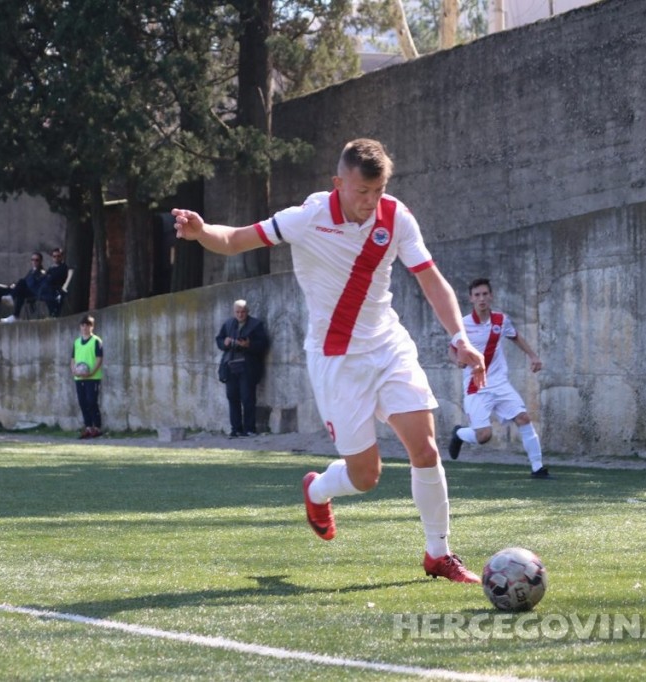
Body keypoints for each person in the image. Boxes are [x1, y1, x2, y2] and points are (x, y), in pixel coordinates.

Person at [173, 138, 488, 583]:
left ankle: (438, 553)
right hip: (336, 359)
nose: (371, 202)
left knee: (426, 447)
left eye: (378, 191)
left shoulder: (396, 217)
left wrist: (460, 337)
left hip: (388, 345)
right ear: (338, 183)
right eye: (362, 192)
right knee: (366, 476)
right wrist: (202, 231)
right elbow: (237, 239)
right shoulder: (306, 218)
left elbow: (430, 279)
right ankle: (318, 488)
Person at [447, 278, 550, 478]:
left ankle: (538, 468)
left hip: (499, 382)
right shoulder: (464, 324)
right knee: (484, 436)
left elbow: (515, 336)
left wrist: (533, 356)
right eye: (477, 295)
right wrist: (456, 361)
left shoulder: (501, 320)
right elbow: (451, 351)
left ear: (491, 296)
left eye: (485, 294)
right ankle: (459, 433)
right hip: (475, 386)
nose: (481, 298)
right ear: (471, 299)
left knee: (524, 418)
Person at [215, 299, 268, 437]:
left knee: (247, 397)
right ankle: (236, 429)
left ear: (247, 312)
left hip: (247, 366)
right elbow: (219, 340)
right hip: (230, 365)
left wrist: (248, 345)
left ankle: (249, 429)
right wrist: (225, 342)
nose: (240, 315)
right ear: (234, 312)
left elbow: (263, 344)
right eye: (237, 312)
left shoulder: (256, 325)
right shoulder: (228, 324)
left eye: (243, 312)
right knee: (232, 397)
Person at [0, 252, 45, 322]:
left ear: (40, 261)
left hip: (30, 292)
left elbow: (34, 285)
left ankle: (13, 304)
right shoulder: (31, 271)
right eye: (32, 260)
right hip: (20, 290)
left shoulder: (41, 272)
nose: (34, 262)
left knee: (21, 281)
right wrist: (15, 286)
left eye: (36, 260)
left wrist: (19, 286)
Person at [72, 314, 104, 438]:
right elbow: (72, 359)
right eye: (83, 325)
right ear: (80, 327)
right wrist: (74, 370)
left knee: (92, 401)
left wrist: (91, 372)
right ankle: (88, 427)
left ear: (92, 327)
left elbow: (99, 359)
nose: (85, 328)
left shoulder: (96, 341)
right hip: (79, 377)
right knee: (82, 402)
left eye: (88, 325)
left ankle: (97, 427)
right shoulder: (76, 342)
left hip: (93, 377)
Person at [39, 247, 69, 317]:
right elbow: (46, 277)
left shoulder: (63, 267)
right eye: (54, 256)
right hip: (48, 289)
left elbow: (55, 278)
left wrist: (47, 276)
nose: (56, 258)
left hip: (57, 289)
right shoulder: (51, 268)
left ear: (62, 257)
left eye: (58, 256)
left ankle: (53, 313)